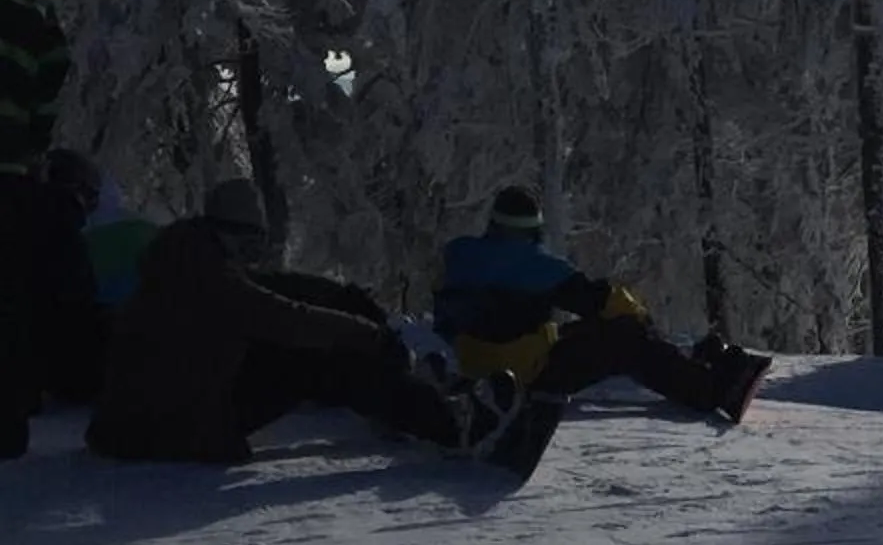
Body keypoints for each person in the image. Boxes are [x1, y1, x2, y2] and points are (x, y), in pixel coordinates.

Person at [86, 177, 531, 469]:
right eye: (250, 247)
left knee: (312, 356)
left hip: (152, 417)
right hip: (167, 429)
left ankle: (409, 400)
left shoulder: (190, 258)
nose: (251, 258)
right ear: (232, 234)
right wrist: (370, 335)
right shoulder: (204, 275)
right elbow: (282, 316)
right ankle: (454, 425)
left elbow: (276, 288)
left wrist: (346, 301)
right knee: (314, 364)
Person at [433, 184, 767, 424]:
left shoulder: (461, 254)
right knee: (625, 339)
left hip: (481, 367)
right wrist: (639, 317)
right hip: (527, 376)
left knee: (581, 333)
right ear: (534, 230)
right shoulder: (534, 265)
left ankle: (689, 361)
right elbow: (598, 300)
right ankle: (710, 389)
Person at [0, 0, 84, 457]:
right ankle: (10, 422)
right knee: (11, 298)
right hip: (13, 175)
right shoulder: (32, 1)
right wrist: (31, 142)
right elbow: (58, 71)